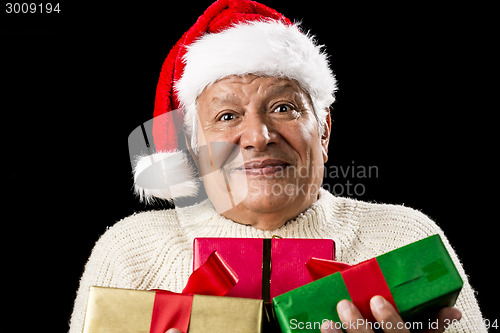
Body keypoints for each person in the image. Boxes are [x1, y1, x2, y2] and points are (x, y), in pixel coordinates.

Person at [69, 0, 486, 332]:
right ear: (194, 149)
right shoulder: (130, 252)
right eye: (228, 116)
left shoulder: (405, 239)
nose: (258, 136)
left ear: (323, 131)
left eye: (283, 107)